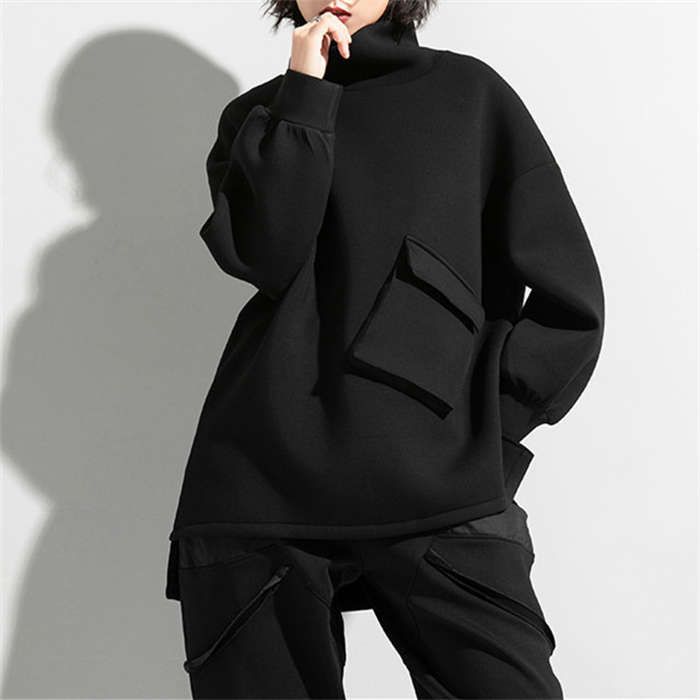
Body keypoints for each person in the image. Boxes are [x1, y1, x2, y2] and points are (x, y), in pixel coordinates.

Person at [166, 0, 605, 697]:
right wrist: (303, 94)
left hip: (441, 481)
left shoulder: (470, 96)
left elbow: (570, 299)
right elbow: (267, 254)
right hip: (258, 481)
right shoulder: (259, 118)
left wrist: (490, 430)